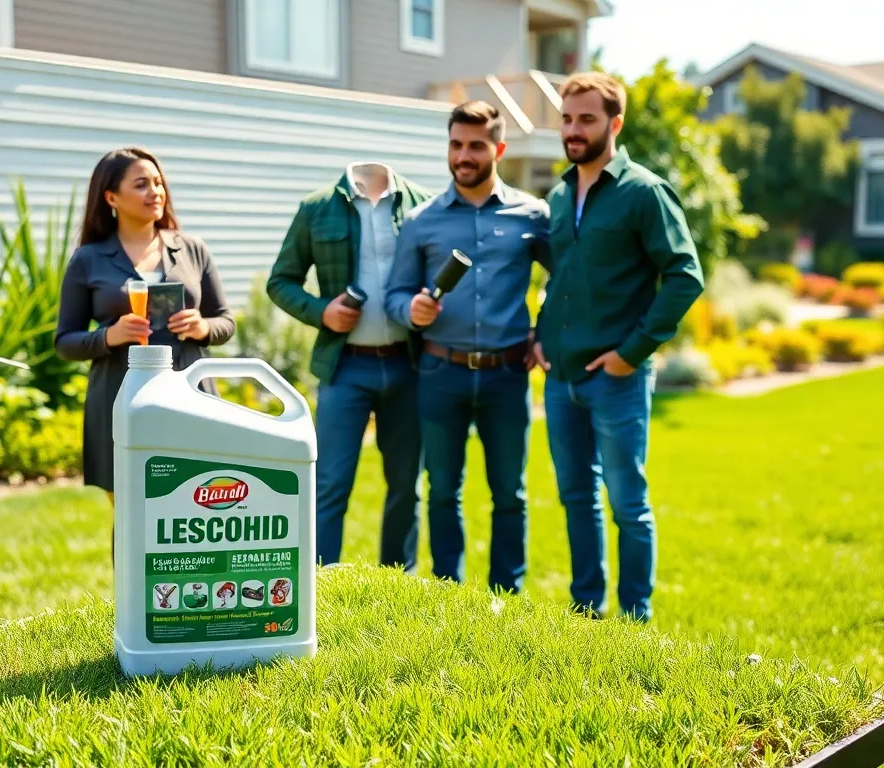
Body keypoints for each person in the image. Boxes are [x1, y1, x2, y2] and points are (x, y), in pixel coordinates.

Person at [532, 72, 704, 622]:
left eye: (586, 118)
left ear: (615, 123)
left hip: (617, 380)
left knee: (629, 506)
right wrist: (541, 332)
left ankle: (636, 623)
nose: (574, 130)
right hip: (561, 381)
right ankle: (587, 614)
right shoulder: (559, 195)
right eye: (566, 118)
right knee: (576, 499)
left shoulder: (644, 193)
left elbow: (684, 275)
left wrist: (633, 352)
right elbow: (560, 277)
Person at [384, 101, 550, 595]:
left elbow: (564, 284)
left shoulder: (533, 215)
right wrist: (408, 310)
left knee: (510, 495)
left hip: (506, 375)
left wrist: (543, 331)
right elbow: (395, 294)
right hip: (441, 373)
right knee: (442, 493)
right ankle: (448, 594)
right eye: (456, 145)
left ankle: (507, 596)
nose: (464, 155)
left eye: (476, 145)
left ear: (498, 148)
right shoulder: (420, 221)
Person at [266, 161, 434, 571]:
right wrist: (322, 311)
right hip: (345, 369)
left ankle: (400, 583)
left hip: (407, 367)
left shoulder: (421, 206)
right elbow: (280, 281)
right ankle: (321, 585)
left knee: (407, 487)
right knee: (329, 484)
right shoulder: (317, 208)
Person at [55, 147, 236, 504]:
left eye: (158, 183)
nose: (155, 192)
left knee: (198, 504)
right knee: (130, 514)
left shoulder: (192, 249)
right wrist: (109, 335)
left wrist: (202, 327)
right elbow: (65, 341)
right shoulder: (88, 259)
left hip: (191, 389)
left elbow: (225, 321)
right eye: (141, 184)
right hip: (120, 394)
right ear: (111, 197)